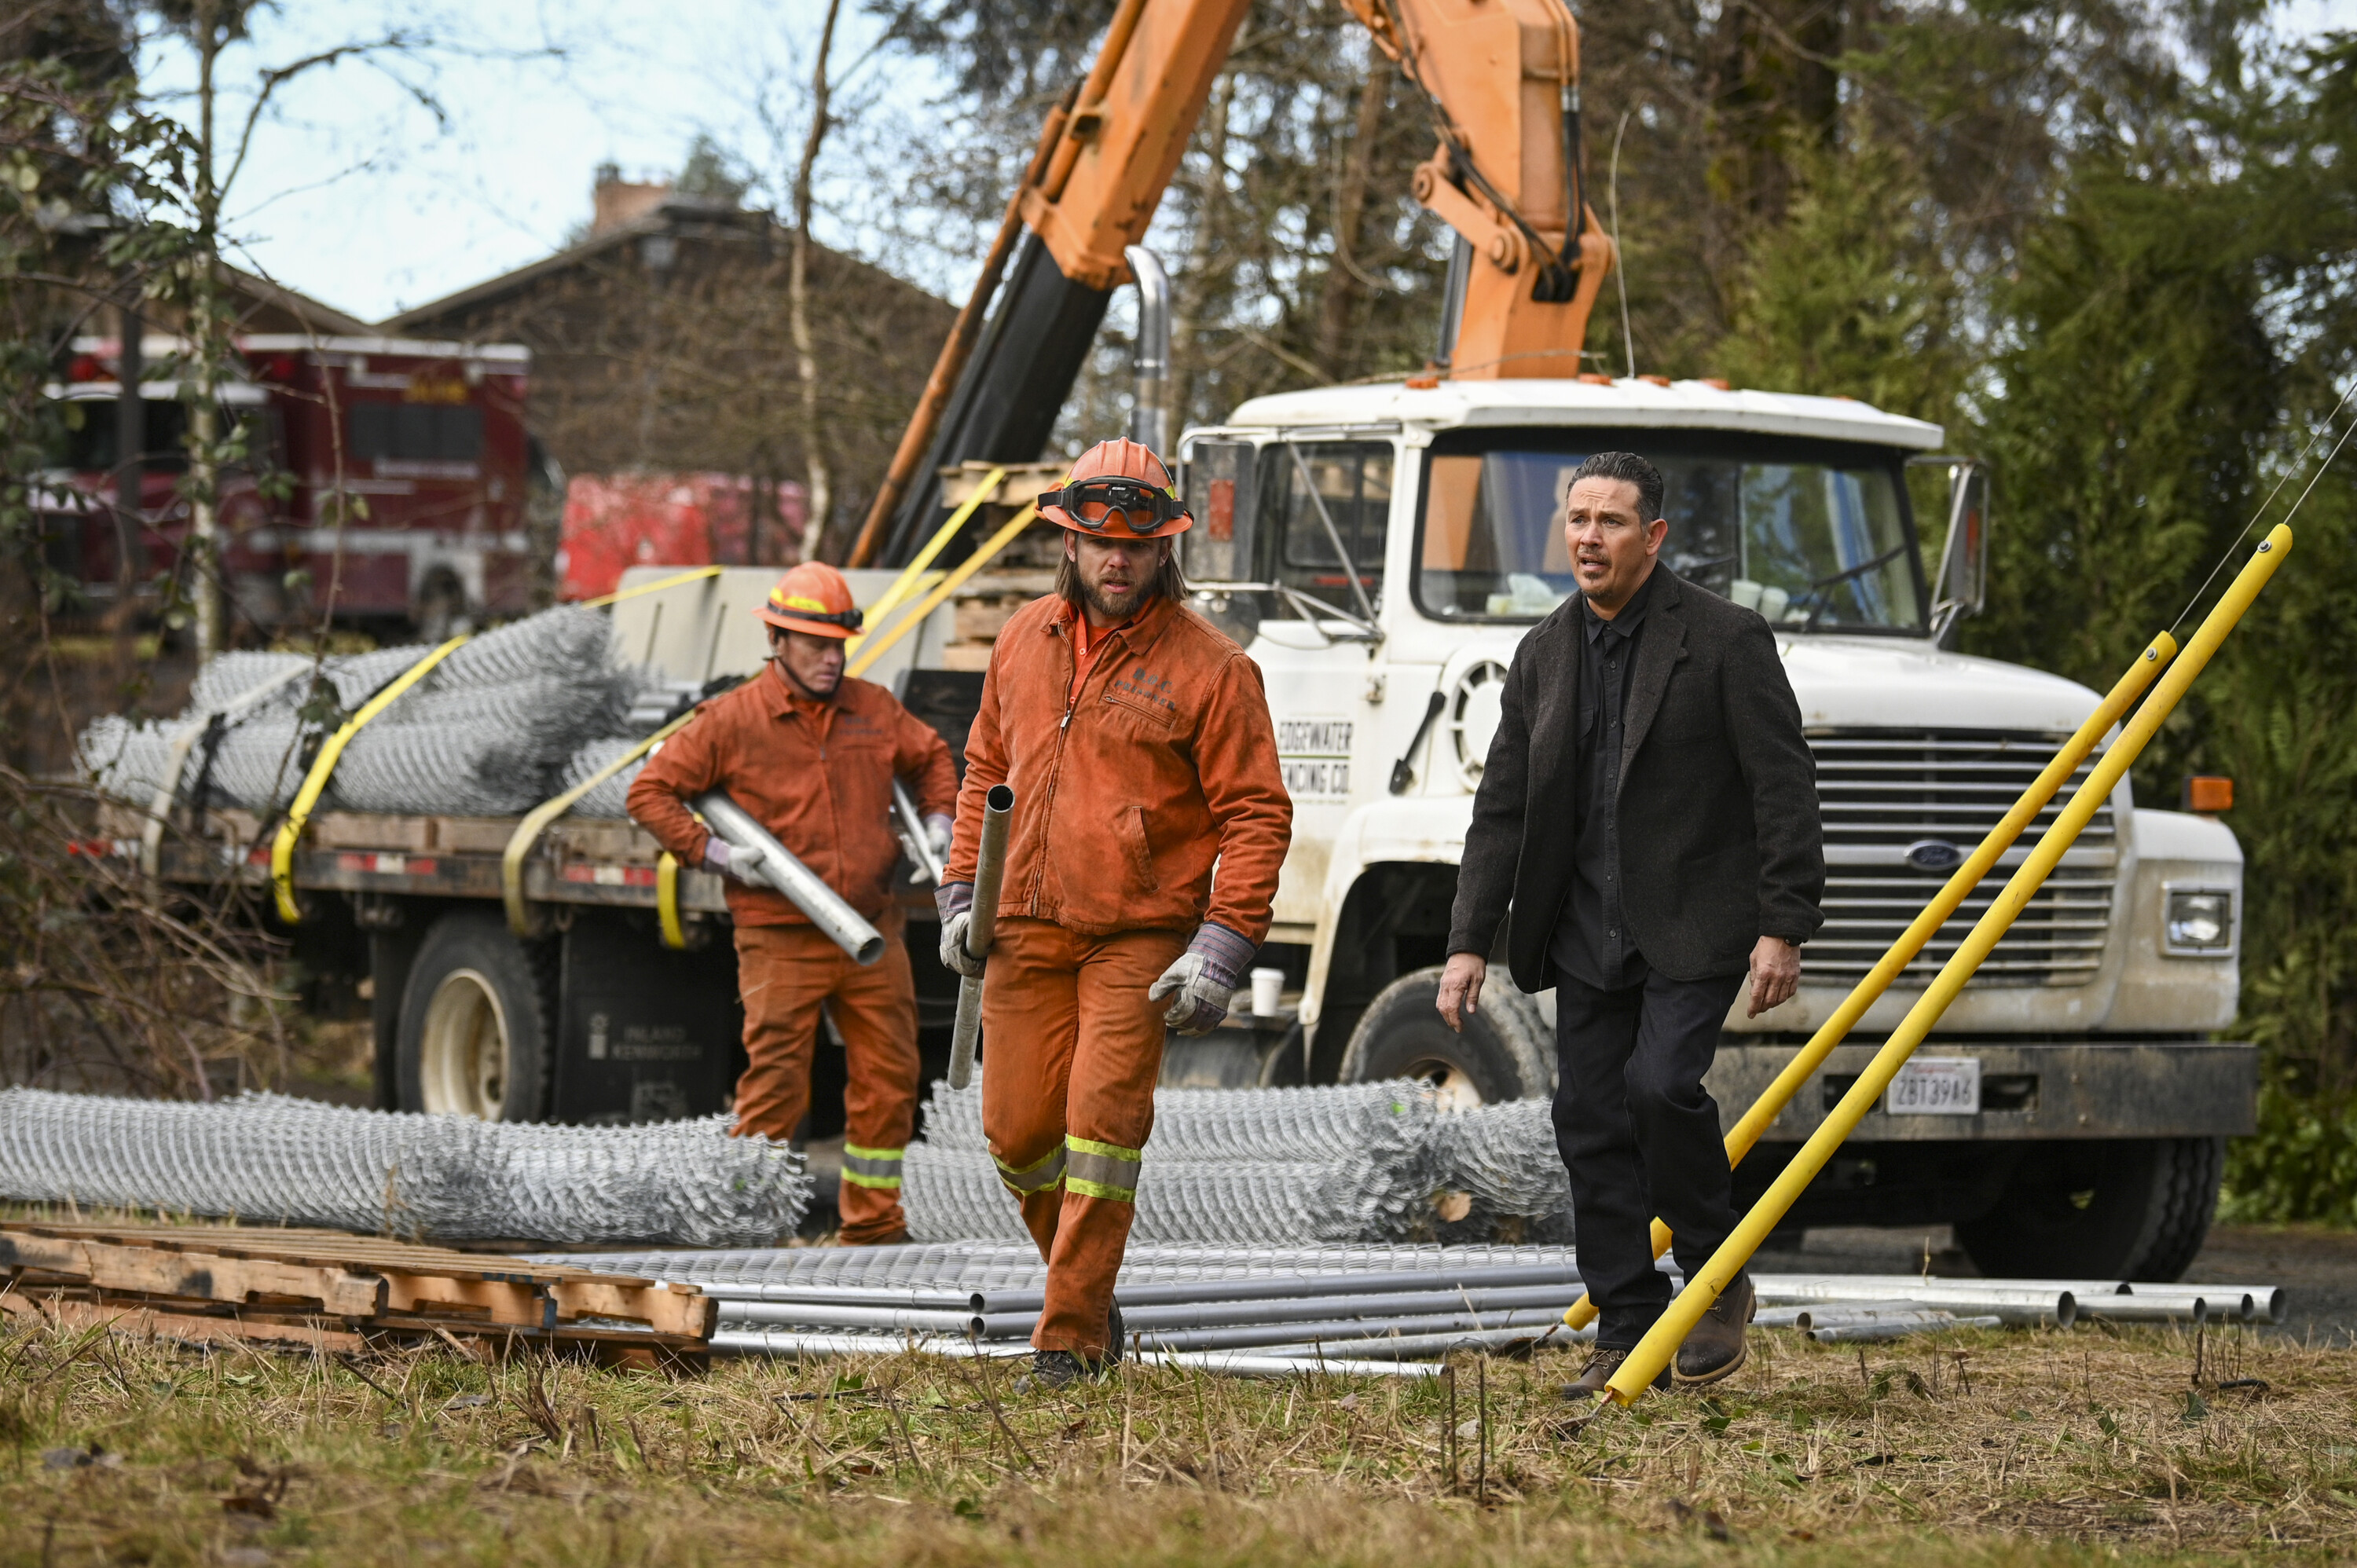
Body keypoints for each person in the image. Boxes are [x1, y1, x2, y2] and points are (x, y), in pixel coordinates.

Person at [1438, 450, 1823, 1397]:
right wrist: (1467, 941)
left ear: (1652, 535)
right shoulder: (1542, 653)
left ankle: (1717, 1272)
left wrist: (1784, 923)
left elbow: (1784, 785)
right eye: (1577, 519)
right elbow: (1504, 807)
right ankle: (1625, 1318)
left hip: (1694, 922)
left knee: (1659, 1089)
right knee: (1586, 1119)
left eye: (1610, 521)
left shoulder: (1727, 639)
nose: (1588, 537)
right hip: (1583, 929)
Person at [939, 437, 1292, 1387]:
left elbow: (1257, 813)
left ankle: (1070, 1337)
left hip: (1137, 935)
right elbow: (983, 768)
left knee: (1100, 1131)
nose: (1116, 559)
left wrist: (1221, 945)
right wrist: (960, 890)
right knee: (1018, 1137)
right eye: (1098, 541)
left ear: (1166, 546)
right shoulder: (1020, 640)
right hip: (1021, 926)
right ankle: (1086, 1289)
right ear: (1069, 540)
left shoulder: (1213, 668)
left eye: (1137, 544)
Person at [628, 561, 957, 1246]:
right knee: (776, 1088)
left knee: (890, 1079)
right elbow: (651, 792)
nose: (832, 660)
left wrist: (937, 822)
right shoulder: (733, 719)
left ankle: (872, 1228)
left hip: (872, 929)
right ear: (777, 641)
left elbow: (932, 760)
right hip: (780, 932)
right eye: (816, 645)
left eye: (839, 646)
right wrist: (715, 854)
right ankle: (755, 1227)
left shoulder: (871, 708)